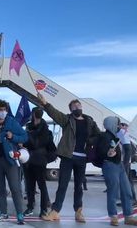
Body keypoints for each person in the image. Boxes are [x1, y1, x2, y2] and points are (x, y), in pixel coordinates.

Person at [38, 93, 100, 222]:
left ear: (81, 107)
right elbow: (54, 113)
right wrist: (45, 103)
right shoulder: (67, 120)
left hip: (82, 158)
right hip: (68, 157)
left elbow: (98, 136)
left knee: (78, 186)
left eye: (78, 105)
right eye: (74, 106)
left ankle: (78, 212)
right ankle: (55, 211)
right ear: (70, 109)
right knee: (62, 185)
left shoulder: (90, 121)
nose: (77, 107)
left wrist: (90, 141)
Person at [96, 116, 137, 226]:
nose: (119, 126)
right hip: (110, 165)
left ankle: (128, 216)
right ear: (112, 124)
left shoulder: (115, 136)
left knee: (126, 191)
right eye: (117, 124)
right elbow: (100, 151)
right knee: (113, 190)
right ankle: (113, 216)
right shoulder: (104, 136)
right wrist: (107, 153)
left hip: (119, 165)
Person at [22, 107, 54, 218]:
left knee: (41, 186)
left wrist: (45, 159)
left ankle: (43, 209)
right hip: (28, 161)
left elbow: (50, 149)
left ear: (34, 115)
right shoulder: (28, 128)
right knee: (30, 186)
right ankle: (30, 206)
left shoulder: (45, 131)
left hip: (39, 162)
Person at [117, 122, 137, 204]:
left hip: (124, 162)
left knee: (126, 181)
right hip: (124, 161)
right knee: (127, 181)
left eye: (122, 125)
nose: (120, 127)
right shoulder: (123, 135)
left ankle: (130, 200)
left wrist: (125, 162)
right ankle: (130, 199)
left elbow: (129, 150)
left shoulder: (124, 135)